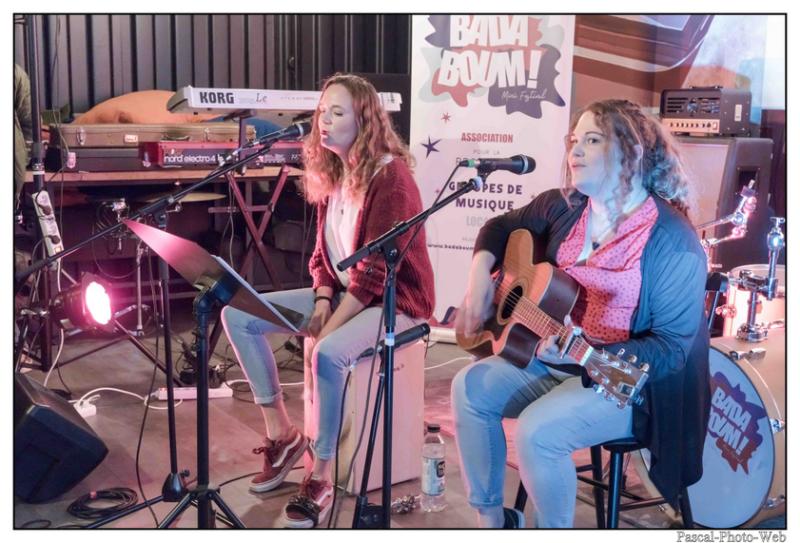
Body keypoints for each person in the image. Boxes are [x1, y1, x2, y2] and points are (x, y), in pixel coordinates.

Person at [451, 99, 710, 528]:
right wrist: (480, 277)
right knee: (469, 388)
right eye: (574, 140)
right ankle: (494, 522)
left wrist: (590, 354)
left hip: (625, 383)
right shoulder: (564, 206)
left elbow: (671, 350)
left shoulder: (671, 241)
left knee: (537, 431)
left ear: (630, 152)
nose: (575, 151)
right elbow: (499, 227)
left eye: (592, 140)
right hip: (553, 359)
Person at [221, 73, 434, 528]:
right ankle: (282, 435)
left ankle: (320, 473)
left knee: (329, 353)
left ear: (365, 121)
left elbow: (375, 273)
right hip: (343, 293)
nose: (324, 120)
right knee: (238, 314)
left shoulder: (391, 178)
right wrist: (321, 301)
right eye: (322, 111)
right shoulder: (334, 172)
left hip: (395, 301)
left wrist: (329, 326)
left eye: (337, 113)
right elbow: (322, 256)